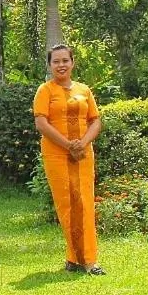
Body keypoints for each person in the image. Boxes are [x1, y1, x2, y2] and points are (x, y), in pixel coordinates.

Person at [33, 44, 105, 275]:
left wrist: (82, 143)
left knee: (84, 202)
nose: (61, 65)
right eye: (56, 61)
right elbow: (41, 123)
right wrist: (67, 145)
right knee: (67, 204)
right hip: (56, 155)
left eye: (65, 60)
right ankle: (79, 258)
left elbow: (95, 121)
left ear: (72, 62)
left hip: (83, 155)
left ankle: (85, 260)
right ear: (50, 65)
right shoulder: (45, 91)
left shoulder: (84, 90)